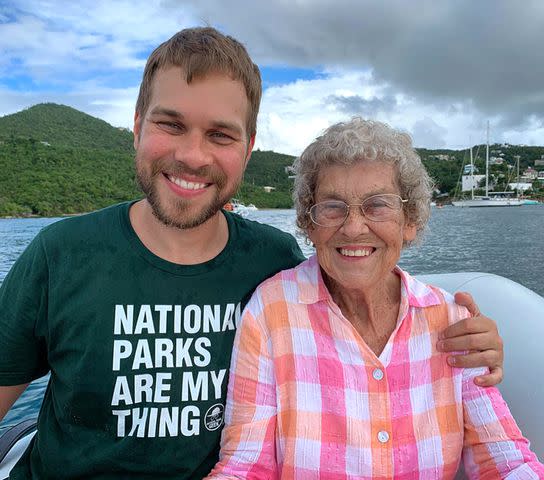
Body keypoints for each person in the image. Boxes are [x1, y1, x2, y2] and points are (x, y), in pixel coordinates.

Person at [0, 28, 503, 479]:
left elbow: (364, 274)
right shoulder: (61, 255)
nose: (193, 155)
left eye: (220, 134)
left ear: (248, 147)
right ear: (136, 125)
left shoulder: (272, 260)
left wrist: (475, 338)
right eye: (170, 124)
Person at [207, 118, 544, 479]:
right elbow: (246, 465)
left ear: (409, 219)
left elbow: (504, 459)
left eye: (377, 205)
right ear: (309, 222)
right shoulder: (271, 312)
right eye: (333, 206)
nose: (353, 227)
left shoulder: (451, 320)